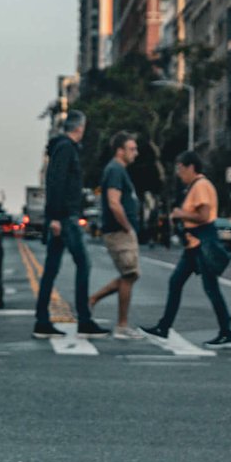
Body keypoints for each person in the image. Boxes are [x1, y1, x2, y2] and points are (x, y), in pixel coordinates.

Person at [151, 153, 231, 341]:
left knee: (210, 288)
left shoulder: (201, 186)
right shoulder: (194, 186)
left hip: (201, 245)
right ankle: (164, 327)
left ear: (191, 167)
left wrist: (181, 214)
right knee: (176, 282)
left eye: (181, 168)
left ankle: (227, 332)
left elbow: (204, 216)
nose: (179, 174)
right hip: (194, 246)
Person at [31, 113, 93, 335]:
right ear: (80, 128)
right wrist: (56, 217)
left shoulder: (63, 148)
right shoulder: (66, 148)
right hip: (65, 217)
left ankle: (42, 320)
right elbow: (56, 182)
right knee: (83, 265)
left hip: (63, 216)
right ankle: (84, 320)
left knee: (51, 269)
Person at [84, 131, 144, 334]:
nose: (136, 153)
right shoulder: (116, 170)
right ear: (120, 151)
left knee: (131, 275)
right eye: (132, 149)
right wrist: (127, 226)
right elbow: (113, 202)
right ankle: (122, 325)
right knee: (129, 275)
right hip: (119, 231)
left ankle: (92, 300)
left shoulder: (118, 170)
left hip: (120, 230)